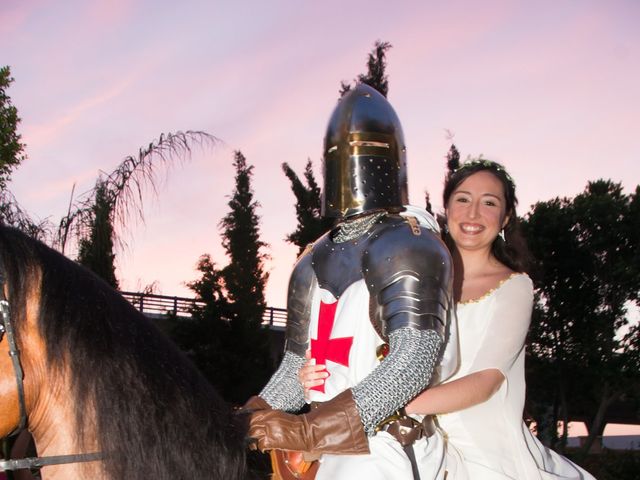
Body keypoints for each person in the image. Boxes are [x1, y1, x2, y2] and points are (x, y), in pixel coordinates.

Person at [301, 159, 596, 479]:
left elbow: (485, 381)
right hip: (405, 432)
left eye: (489, 203)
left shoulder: (515, 287)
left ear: (505, 217)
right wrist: (322, 374)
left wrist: (386, 406)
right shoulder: (411, 274)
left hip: (477, 447)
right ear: (447, 208)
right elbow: (367, 349)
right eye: (463, 199)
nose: (473, 214)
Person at [245, 84, 454, 480]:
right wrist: (249, 416)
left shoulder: (410, 244)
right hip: (322, 453)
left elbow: (411, 362)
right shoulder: (312, 258)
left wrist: (309, 429)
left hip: (386, 448)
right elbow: (296, 367)